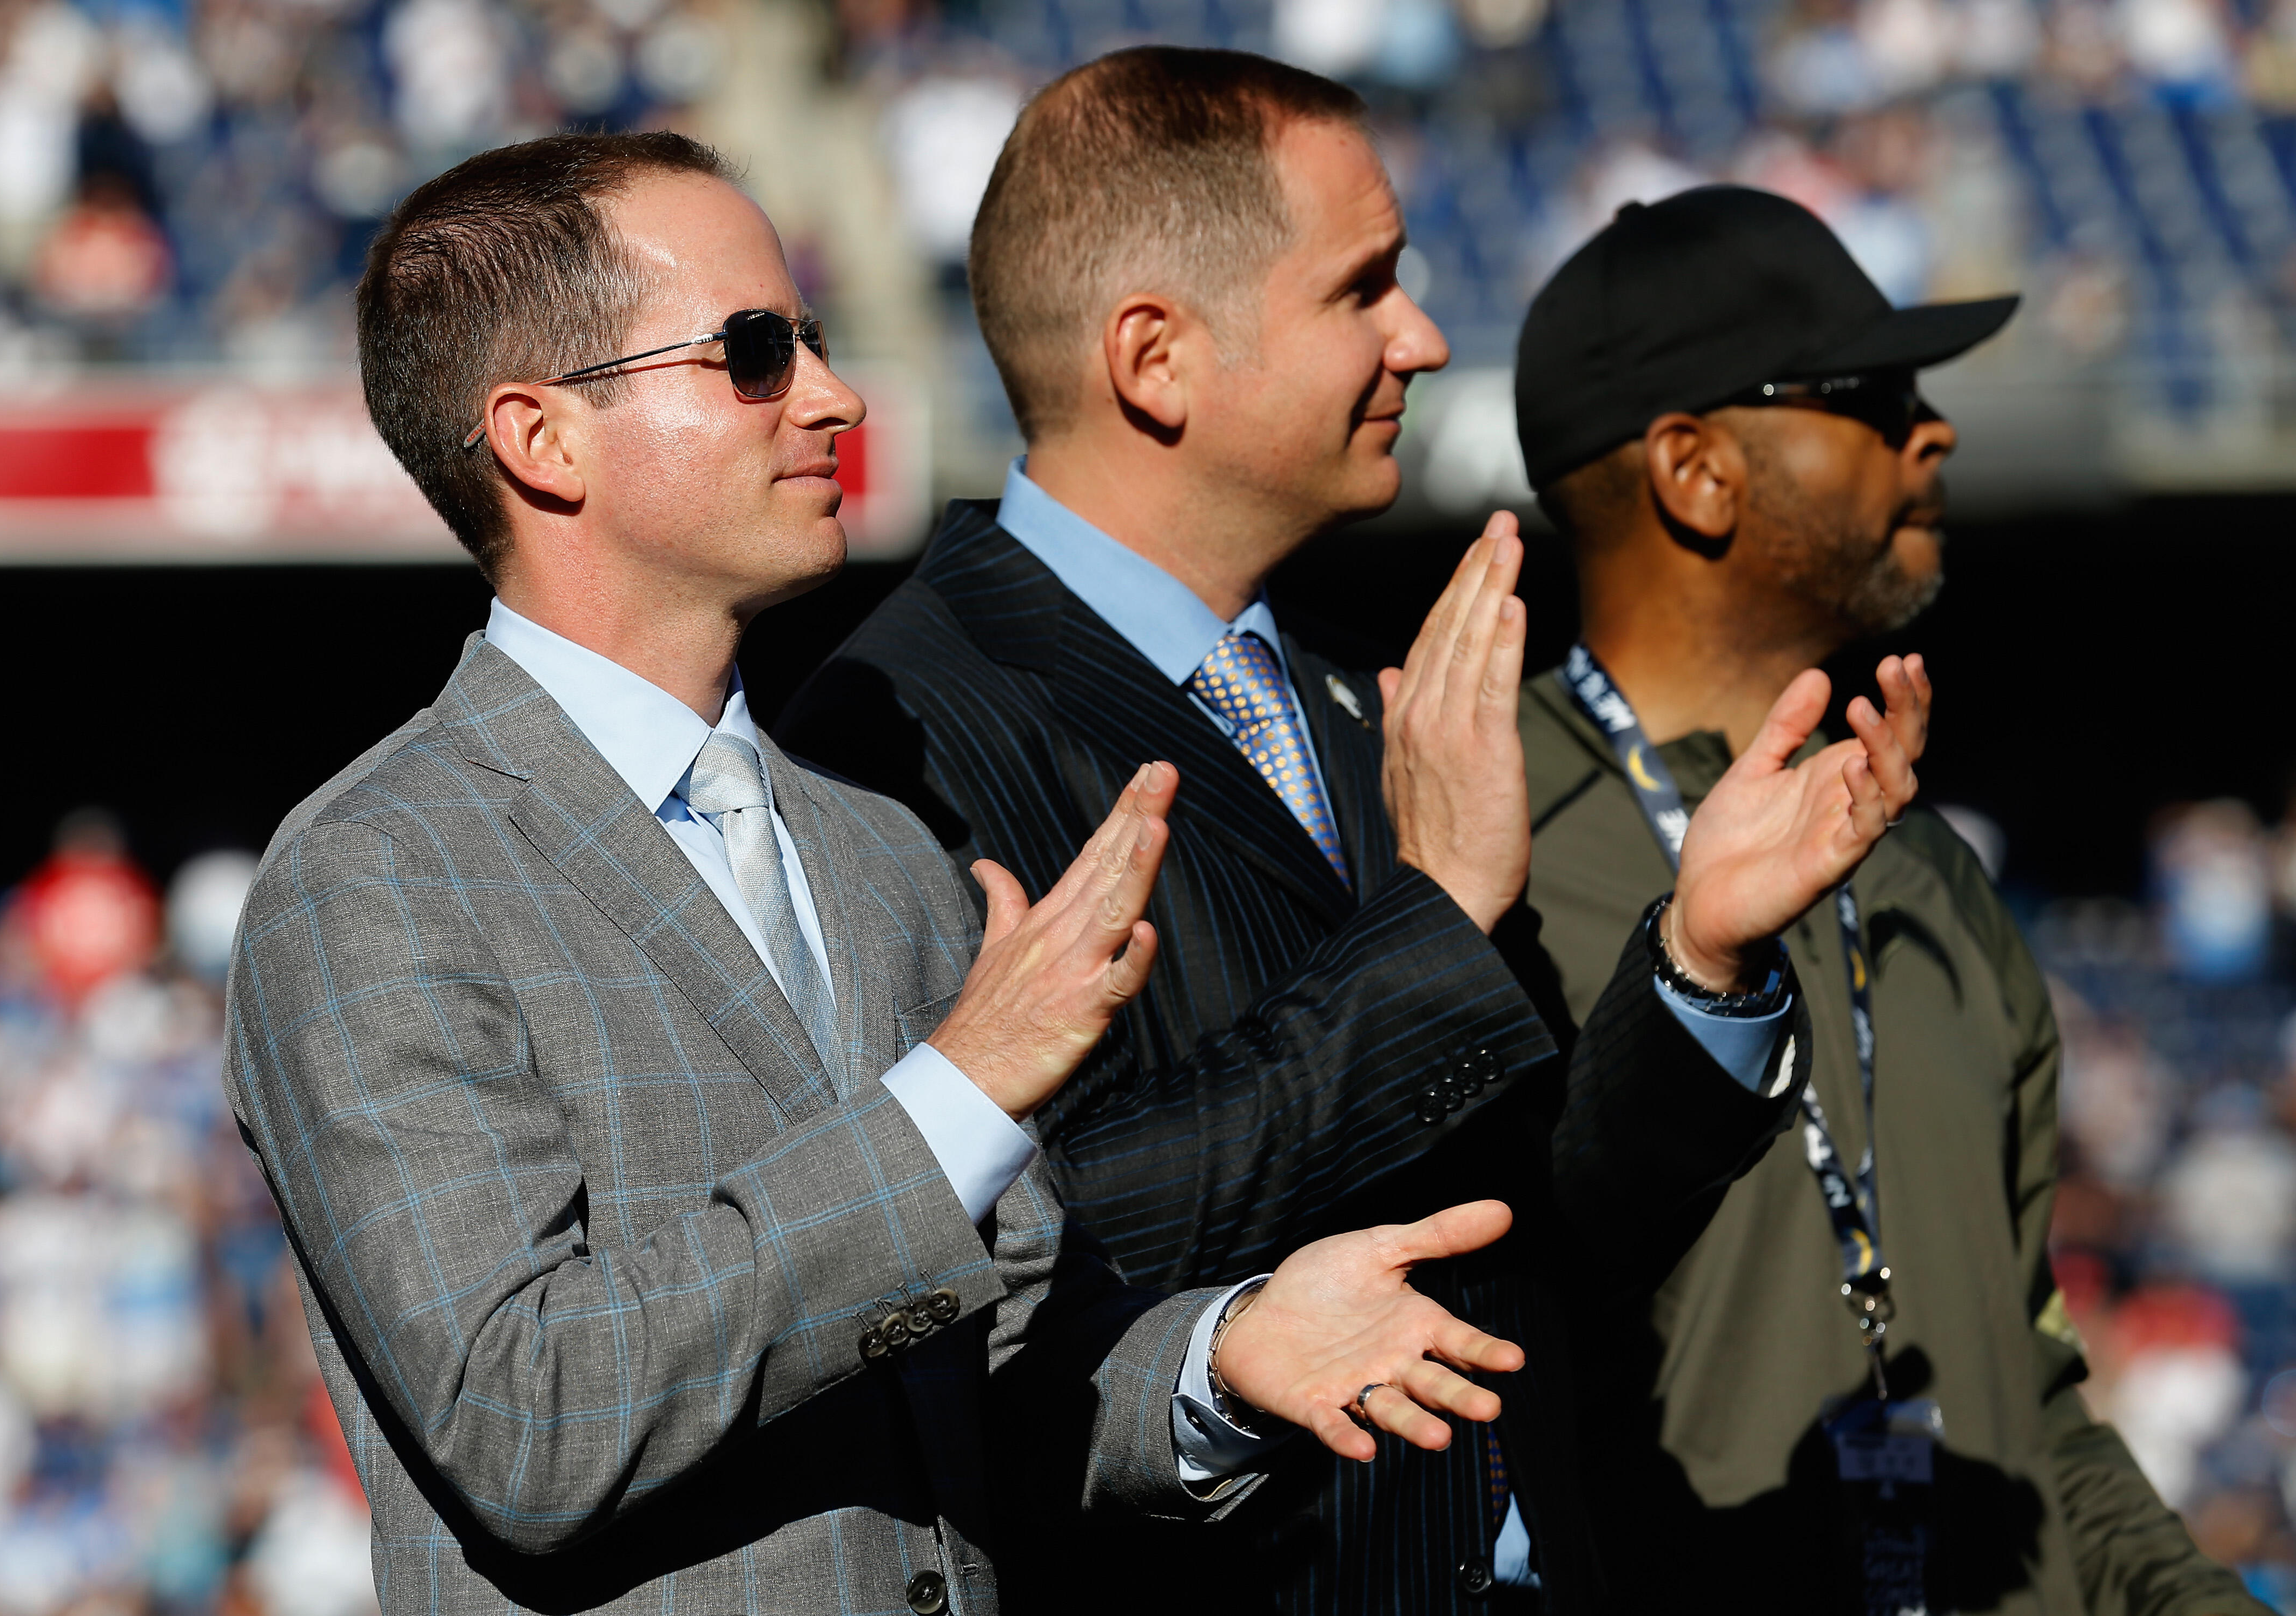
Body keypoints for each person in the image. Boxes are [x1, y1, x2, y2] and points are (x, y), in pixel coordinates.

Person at [221, 130, 1536, 1616]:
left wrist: (1220, 1357)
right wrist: (957, 1097)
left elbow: (998, 1378)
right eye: (757, 351)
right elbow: (532, 1417)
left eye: (820, 341)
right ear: (542, 439)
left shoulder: (878, 851)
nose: (834, 397)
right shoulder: (378, 874)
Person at [777, 50, 1928, 1613]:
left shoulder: (1337, 690)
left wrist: (1703, 962)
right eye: (1364, 288)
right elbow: (1003, 1258)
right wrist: (1436, 917)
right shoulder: (891, 732)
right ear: (1156, 358)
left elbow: (1524, 1213)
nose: (1426, 338)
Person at [1512, 185, 2268, 1616]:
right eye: (1874, 394)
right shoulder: (1480, 843)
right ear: (1695, 469)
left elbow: (2024, 1394)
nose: (1937, 430)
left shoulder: (1935, 874)